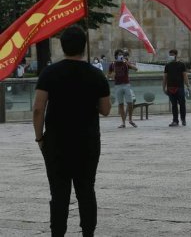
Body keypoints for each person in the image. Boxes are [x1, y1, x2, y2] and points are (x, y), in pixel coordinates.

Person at [32, 25, 111, 237]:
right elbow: (105, 109)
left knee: (59, 194)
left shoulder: (49, 73)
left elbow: (38, 108)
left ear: (62, 46)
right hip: (87, 141)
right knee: (86, 191)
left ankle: (57, 233)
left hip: (57, 142)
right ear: (84, 47)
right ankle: (88, 233)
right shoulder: (96, 75)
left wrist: (39, 137)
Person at [108, 49, 138, 128]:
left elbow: (136, 69)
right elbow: (109, 75)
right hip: (118, 85)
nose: (121, 56)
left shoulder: (125, 63)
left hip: (126, 84)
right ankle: (123, 122)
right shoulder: (113, 64)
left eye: (122, 54)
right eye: (119, 54)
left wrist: (128, 63)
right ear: (116, 56)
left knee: (130, 102)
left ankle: (130, 120)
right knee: (120, 104)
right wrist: (112, 75)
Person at [163, 49, 190, 126]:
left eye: (172, 54)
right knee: (174, 105)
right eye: (170, 55)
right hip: (170, 87)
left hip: (180, 87)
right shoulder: (167, 65)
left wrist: (187, 85)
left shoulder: (181, 64)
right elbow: (165, 77)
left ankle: (183, 119)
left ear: (175, 55)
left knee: (182, 104)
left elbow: (185, 75)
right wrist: (164, 87)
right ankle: (175, 120)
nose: (170, 56)